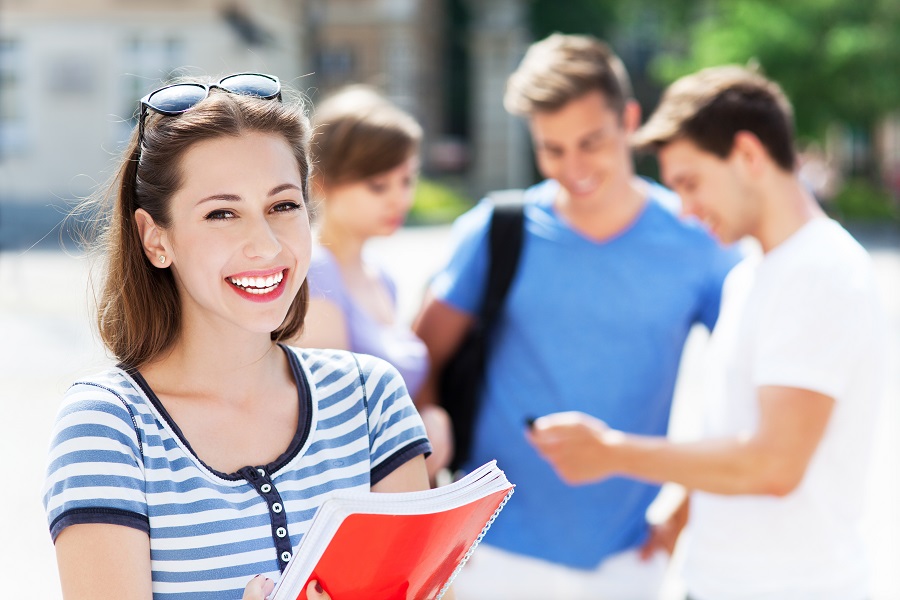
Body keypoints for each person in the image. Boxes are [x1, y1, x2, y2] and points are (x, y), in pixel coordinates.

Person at [41, 73, 432, 600]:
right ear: (155, 238)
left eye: (283, 206)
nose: (265, 245)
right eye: (222, 213)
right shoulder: (110, 427)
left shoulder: (371, 399)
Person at [529, 65, 887, 600]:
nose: (687, 210)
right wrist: (684, 510)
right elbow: (737, 427)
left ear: (747, 155)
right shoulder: (752, 271)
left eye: (690, 184)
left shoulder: (820, 273)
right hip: (724, 581)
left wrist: (612, 452)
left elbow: (774, 464)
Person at [413, 34, 740, 599]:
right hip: (486, 554)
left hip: (625, 560)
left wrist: (682, 517)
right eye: (553, 149)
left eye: (591, 142)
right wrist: (431, 513)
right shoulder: (498, 230)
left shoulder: (697, 240)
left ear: (630, 121)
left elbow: (746, 388)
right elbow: (419, 368)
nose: (574, 168)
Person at [293, 85, 451, 475]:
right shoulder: (316, 270)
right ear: (323, 183)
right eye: (378, 186)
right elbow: (334, 424)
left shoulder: (383, 278)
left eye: (407, 180)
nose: (399, 199)